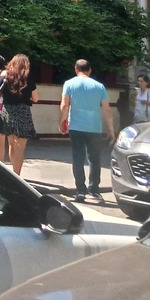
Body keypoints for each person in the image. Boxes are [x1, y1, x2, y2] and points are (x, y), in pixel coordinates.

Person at [59, 58, 115, 203]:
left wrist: (62, 123)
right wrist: (111, 130)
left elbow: (64, 106)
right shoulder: (99, 86)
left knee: (78, 157)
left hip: (76, 126)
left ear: (76, 69)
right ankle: (94, 190)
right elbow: (107, 109)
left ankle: (80, 190)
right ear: (90, 70)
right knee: (94, 159)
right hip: (94, 127)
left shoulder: (69, 84)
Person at [1, 53, 38, 176]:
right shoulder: (28, 78)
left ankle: (13, 174)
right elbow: (36, 98)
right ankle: (17, 175)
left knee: (11, 144)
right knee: (20, 147)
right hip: (23, 111)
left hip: (8, 111)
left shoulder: (6, 76)